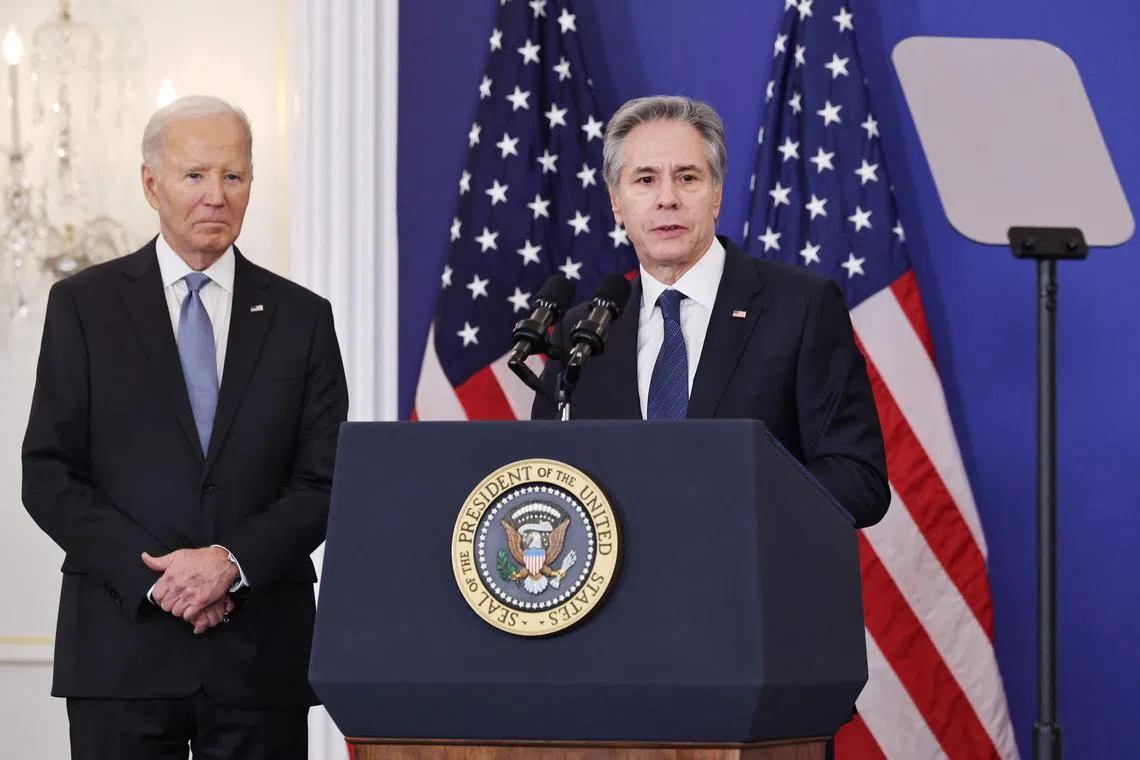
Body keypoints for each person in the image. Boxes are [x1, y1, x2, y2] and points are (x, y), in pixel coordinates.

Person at [21, 95, 349, 759]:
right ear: (151, 184)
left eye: (234, 176)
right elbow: (49, 474)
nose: (216, 196)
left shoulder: (302, 318)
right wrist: (160, 580)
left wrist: (229, 563)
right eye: (195, 175)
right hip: (120, 652)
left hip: (260, 660)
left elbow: (327, 479)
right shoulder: (83, 307)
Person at [531, 94, 889, 529]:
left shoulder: (801, 308)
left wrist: (732, 510)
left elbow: (859, 479)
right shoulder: (581, 333)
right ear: (617, 203)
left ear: (716, 195)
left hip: (750, 585)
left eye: (687, 178)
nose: (667, 198)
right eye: (645, 180)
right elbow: (545, 478)